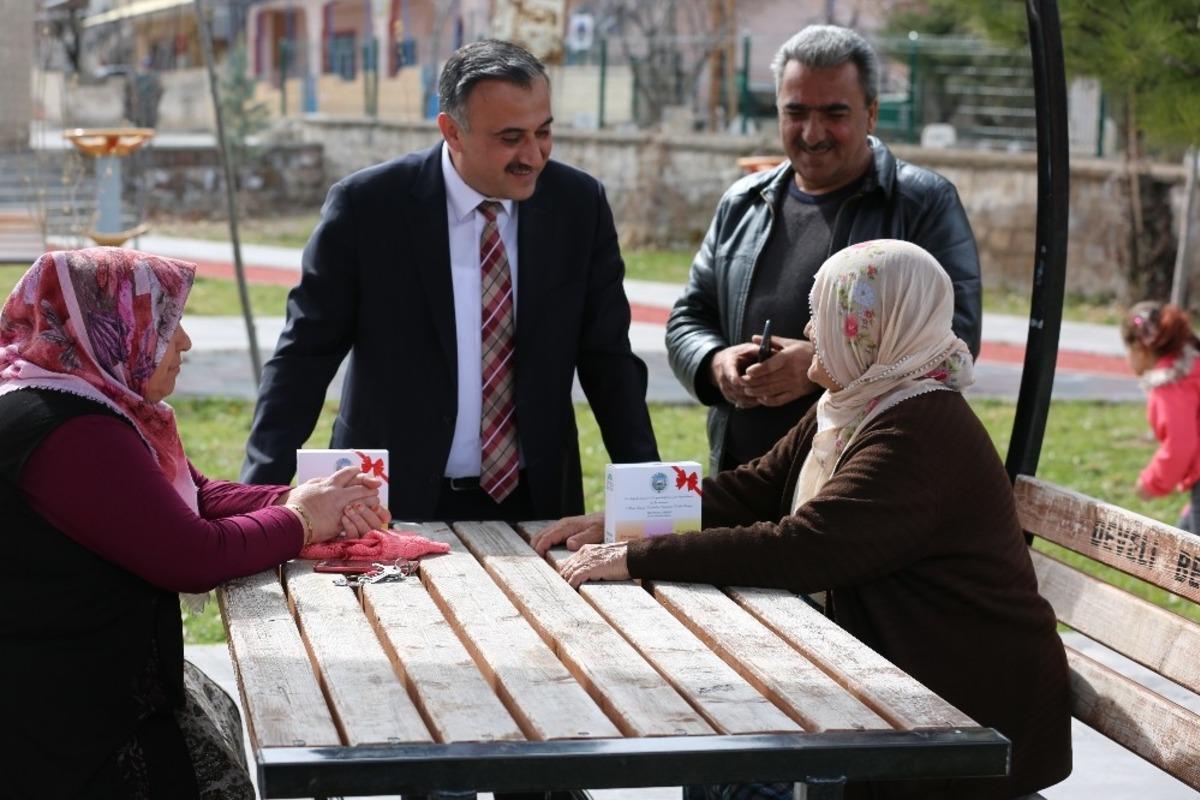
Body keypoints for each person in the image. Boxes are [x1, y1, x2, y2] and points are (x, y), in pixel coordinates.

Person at [539, 240, 1072, 800]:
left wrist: (637, 556)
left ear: (872, 329)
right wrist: (624, 519)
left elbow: (800, 548)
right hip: (892, 686)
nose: (810, 329)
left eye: (826, 314)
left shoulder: (917, 432)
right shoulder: (858, 402)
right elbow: (757, 488)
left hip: (963, 716)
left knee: (729, 767)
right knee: (721, 760)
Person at [0, 248, 390, 798]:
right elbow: (192, 555)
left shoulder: (83, 399)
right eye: (165, 323)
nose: (183, 341)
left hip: (73, 685)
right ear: (111, 328)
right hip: (60, 719)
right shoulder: (69, 430)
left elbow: (196, 495)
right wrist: (303, 520)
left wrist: (302, 497)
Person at [241, 38, 659, 521]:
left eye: (543, 132)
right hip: (389, 502)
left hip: (538, 499)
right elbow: (303, 357)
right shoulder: (368, 207)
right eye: (510, 138)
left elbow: (608, 361)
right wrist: (257, 500)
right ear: (452, 131)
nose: (534, 155)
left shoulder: (578, 205)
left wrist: (647, 497)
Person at [666, 25, 982, 476]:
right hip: (742, 478)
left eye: (834, 113)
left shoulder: (922, 203)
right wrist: (715, 363)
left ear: (871, 113)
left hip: (861, 481)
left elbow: (956, 343)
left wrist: (823, 366)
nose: (812, 133)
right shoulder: (743, 202)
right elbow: (688, 319)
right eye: (795, 112)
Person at [1121, 300, 1200, 532]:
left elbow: (1179, 445)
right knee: (1182, 547)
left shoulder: (1170, 380)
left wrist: (1150, 483)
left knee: (1189, 563)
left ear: (1141, 348)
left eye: (1128, 352)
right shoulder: (1193, 364)